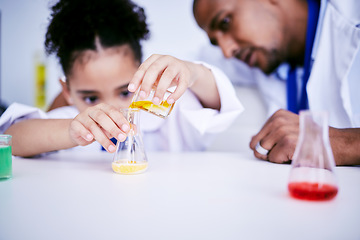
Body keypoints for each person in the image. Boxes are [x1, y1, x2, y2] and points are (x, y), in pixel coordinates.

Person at [0, 0, 243, 157]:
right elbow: (11, 138)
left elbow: (218, 101)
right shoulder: (72, 121)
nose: (111, 109)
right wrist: (72, 132)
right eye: (91, 98)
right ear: (67, 91)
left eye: (125, 92)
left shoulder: (170, 115)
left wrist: (192, 73)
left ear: (143, 74)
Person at [193, 0, 360, 166]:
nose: (227, 51)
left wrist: (343, 143)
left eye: (225, 22)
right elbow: (194, 65)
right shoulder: (258, 55)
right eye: (215, 42)